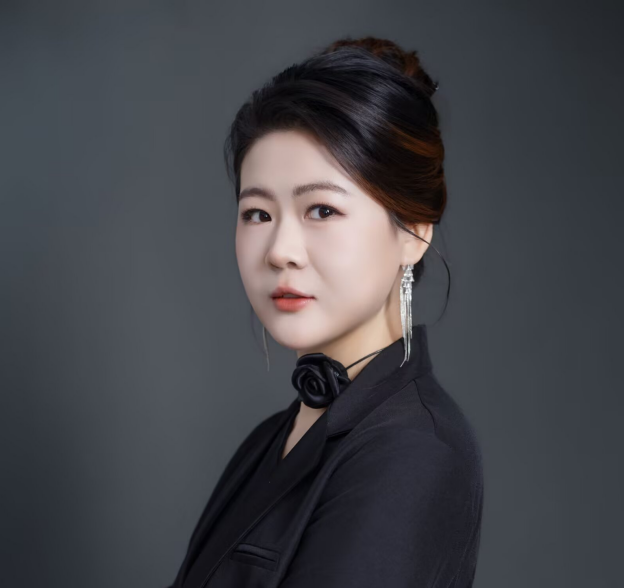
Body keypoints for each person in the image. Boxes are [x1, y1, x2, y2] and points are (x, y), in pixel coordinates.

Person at [168, 35, 484, 588]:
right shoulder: (269, 440)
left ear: (413, 232)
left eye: (321, 210)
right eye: (258, 213)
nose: (280, 251)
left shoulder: (413, 452)